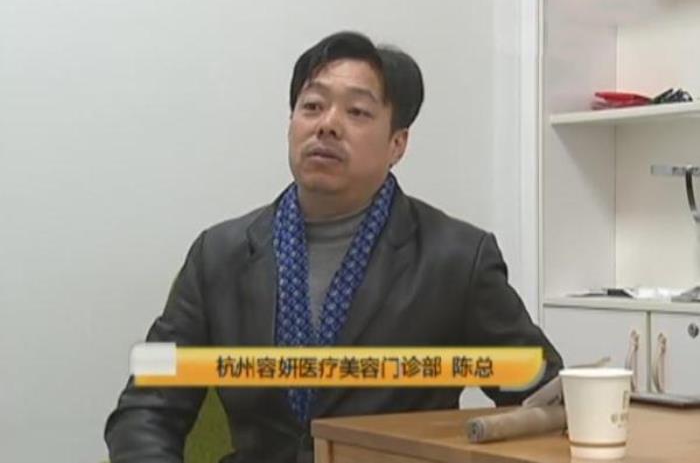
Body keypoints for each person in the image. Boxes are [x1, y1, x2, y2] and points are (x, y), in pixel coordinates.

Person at [105, 31, 563, 463]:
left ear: (397, 144)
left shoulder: (456, 259)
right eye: (312, 106)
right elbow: (147, 407)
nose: (327, 125)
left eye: (357, 112)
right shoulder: (218, 254)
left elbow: (541, 398)